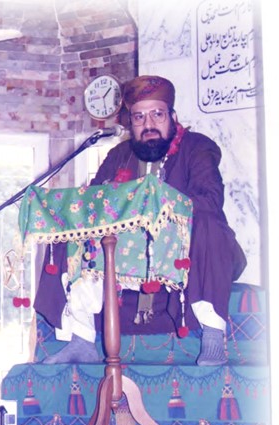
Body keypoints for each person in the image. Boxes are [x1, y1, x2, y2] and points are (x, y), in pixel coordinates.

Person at [36, 75, 246, 367]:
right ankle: (82, 339)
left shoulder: (197, 147)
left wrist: (159, 205)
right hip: (129, 256)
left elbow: (210, 199)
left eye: (157, 114)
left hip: (188, 250)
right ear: (131, 124)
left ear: (172, 117)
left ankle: (213, 336)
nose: (148, 124)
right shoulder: (119, 154)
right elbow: (95, 204)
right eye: (139, 117)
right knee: (78, 228)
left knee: (208, 221)